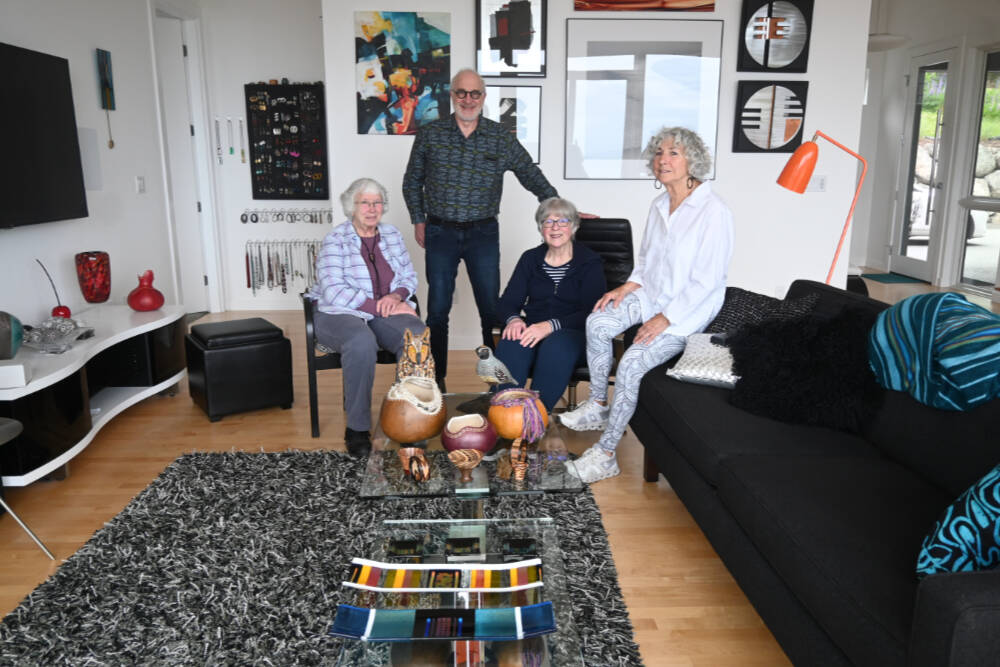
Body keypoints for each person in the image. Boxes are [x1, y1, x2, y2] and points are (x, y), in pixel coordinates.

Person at [560, 127, 734, 483]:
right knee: (599, 320)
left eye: (673, 153)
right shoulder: (658, 204)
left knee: (633, 360)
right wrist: (627, 287)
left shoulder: (714, 212)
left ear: (692, 161)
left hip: (686, 312)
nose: (663, 160)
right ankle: (597, 405)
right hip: (652, 294)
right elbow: (646, 261)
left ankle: (606, 455)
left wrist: (663, 319)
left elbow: (707, 281)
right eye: (658, 153)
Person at [402, 68, 559, 391]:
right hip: (440, 233)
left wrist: (559, 208)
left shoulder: (500, 136)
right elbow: (411, 181)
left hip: (483, 234)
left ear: (484, 97)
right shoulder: (431, 134)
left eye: (475, 93)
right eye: (462, 92)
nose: (468, 99)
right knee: (438, 311)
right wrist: (419, 219)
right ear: (452, 95)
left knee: (492, 308)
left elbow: (529, 173)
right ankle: (436, 378)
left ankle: (497, 383)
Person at [309, 177, 425, 457]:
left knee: (417, 337)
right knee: (361, 342)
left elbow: (409, 275)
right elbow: (334, 291)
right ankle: (358, 428)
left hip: (383, 309)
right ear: (352, 206)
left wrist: (396, 297)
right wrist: (380, 306)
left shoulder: (392, 234)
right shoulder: (336, 239)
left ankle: (409, 417)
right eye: (365, 203)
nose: (372, 209)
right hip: (339, 312)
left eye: (377, 203)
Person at [493, 197, 606, 412]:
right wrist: (514, 319)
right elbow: (507, 302)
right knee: (512, 339)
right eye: (548, 222)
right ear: (540, 228)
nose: (555, 228)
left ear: (574, 226)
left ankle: (535, 416)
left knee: (556, 345)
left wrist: (550, 326)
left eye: (562, 221)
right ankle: (503, 414)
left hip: (573, 332)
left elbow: (592, 311)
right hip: (533, 328)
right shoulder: (530, 259)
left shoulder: (590, 262)